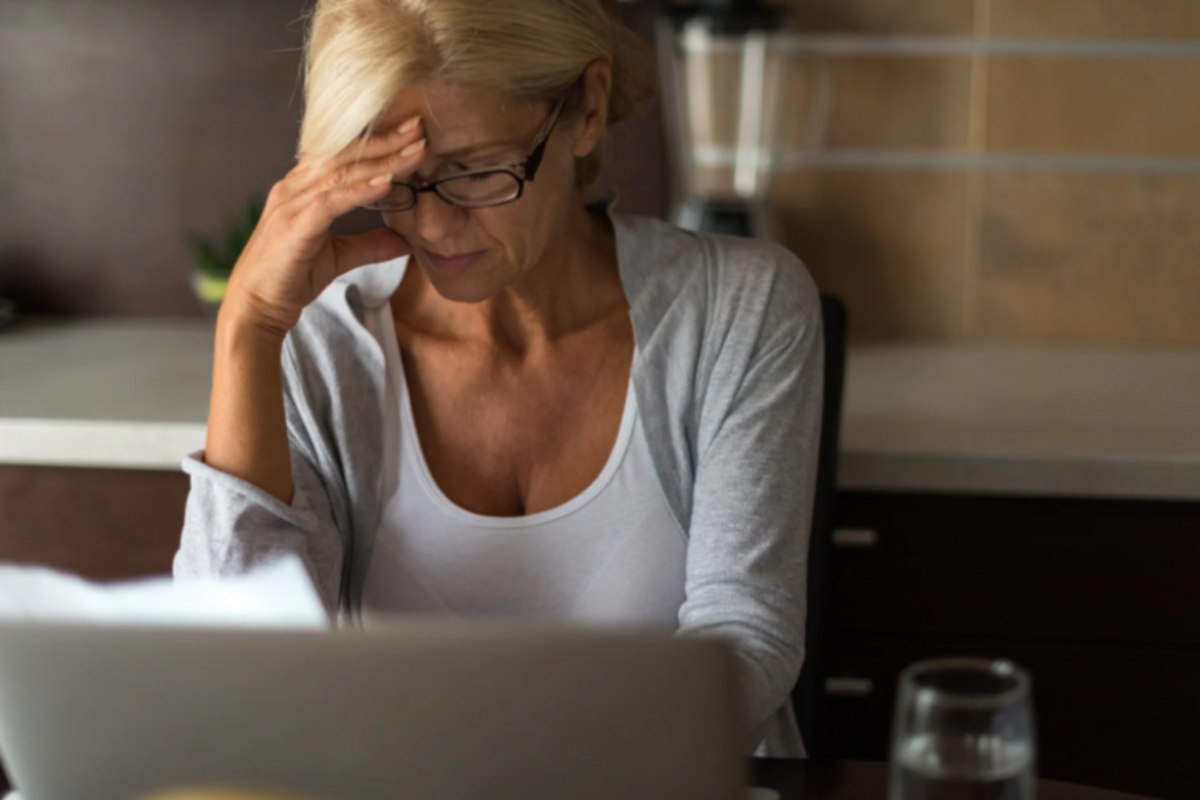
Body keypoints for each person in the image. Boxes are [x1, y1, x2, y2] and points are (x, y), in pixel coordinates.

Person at [174, 0, 823, 757]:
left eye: (478, 171)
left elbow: (747, 636)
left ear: (587, 109)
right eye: (394, 181)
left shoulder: (741, 307)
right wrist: (248, 327)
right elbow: (233, 677)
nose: (433, 226)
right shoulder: (319, 343)